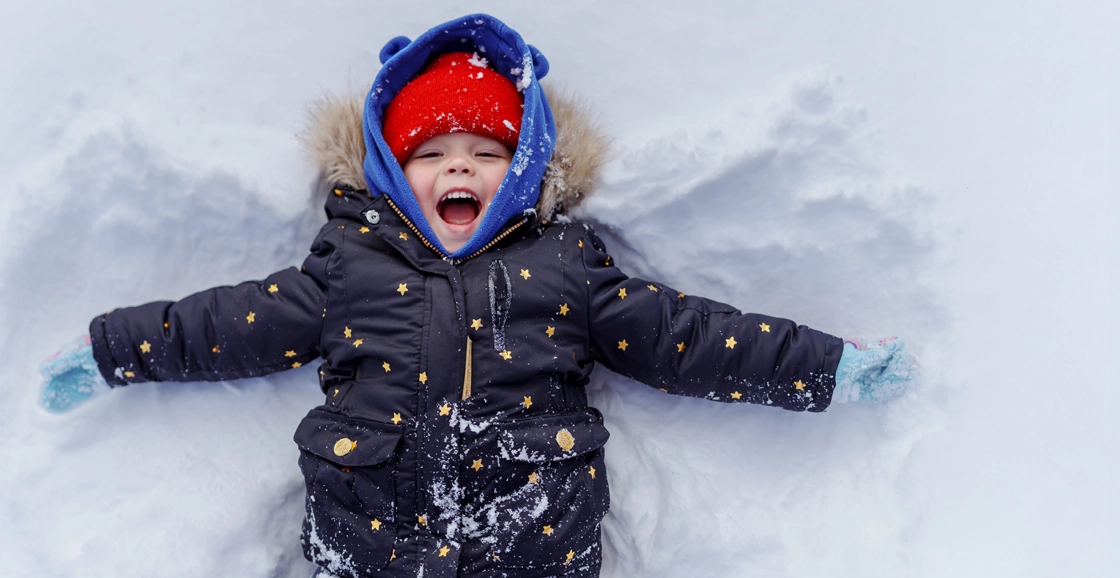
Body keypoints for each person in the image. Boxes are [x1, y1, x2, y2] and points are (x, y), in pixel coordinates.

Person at [35, 13, 913, 578]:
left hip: (531, 540)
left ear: (524, 170)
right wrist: (114, 348)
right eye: (430, 153)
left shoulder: (566, 266)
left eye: (486, 153)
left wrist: (825, 369)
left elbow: (687, 336)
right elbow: (229, 322)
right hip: (371, 545)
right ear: (391, 173)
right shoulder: (349, 266)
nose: (459, 163)